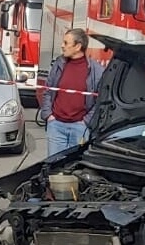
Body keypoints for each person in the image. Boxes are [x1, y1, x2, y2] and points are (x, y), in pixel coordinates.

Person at [39, 28, 104, 156]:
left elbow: (99, 101)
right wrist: (48, 115)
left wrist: (86, 121)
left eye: (66, 43)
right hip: (56, 126)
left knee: (75, 168)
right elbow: (48, 91)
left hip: (80, 128)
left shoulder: (96, 71)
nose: (62, 46)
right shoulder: (58, 65)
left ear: (78, 46)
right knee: (54, 168)